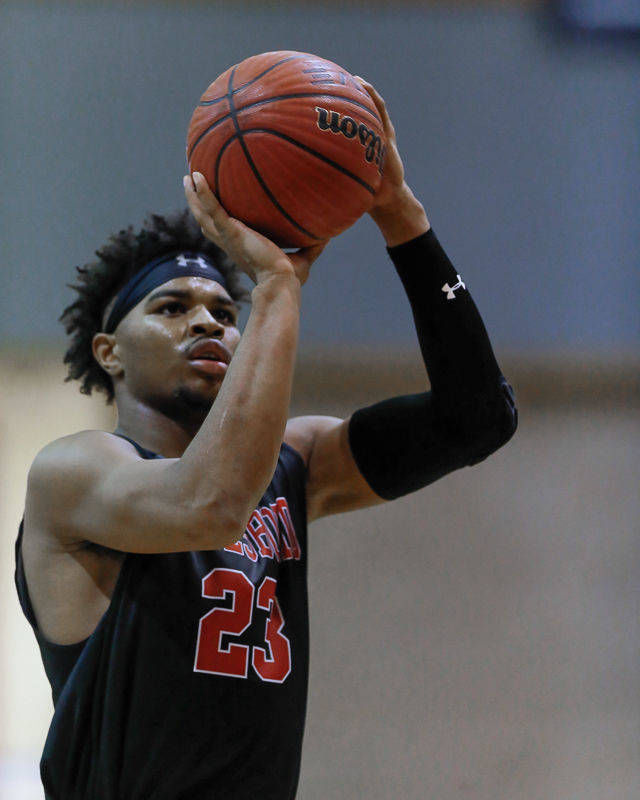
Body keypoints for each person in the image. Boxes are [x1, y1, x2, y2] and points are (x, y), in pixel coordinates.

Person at [15, 80, 517, 800]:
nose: (209, 323)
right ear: (109, 353)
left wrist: (402, 217)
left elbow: (480, 417)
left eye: (226, 309)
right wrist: (276, 288)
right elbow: (212, 503)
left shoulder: (293, 465)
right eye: (172, 306)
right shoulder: (74, 474)